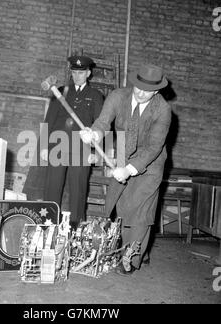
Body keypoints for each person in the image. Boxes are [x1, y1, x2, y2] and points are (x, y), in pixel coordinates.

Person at [80, 63, 171, 274]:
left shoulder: (163, 110)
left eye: (147, 91)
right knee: (120, 207)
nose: (140, 93)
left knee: (140, 211)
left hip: (150, 164)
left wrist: (130, 169)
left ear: (156, 91)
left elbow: (153, 147)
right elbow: (103, 121)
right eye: (138, 87)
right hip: (122, 154)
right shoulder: (117, 96)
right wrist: (94, 134)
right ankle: (141, 251)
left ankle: (130, 259)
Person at [40, 55, 104, 229]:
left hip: (81, 149)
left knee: (78, 191)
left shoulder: (96, 96)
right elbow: (49, 120)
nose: (77, 76)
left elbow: (101, 125)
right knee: (52, 188)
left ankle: (76, 230)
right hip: (57, 147)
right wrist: (44, 147)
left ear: (88, 73)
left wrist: (96, 153)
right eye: (74, 72)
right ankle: (48, 226)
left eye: (81, 73)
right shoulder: (60, 91)